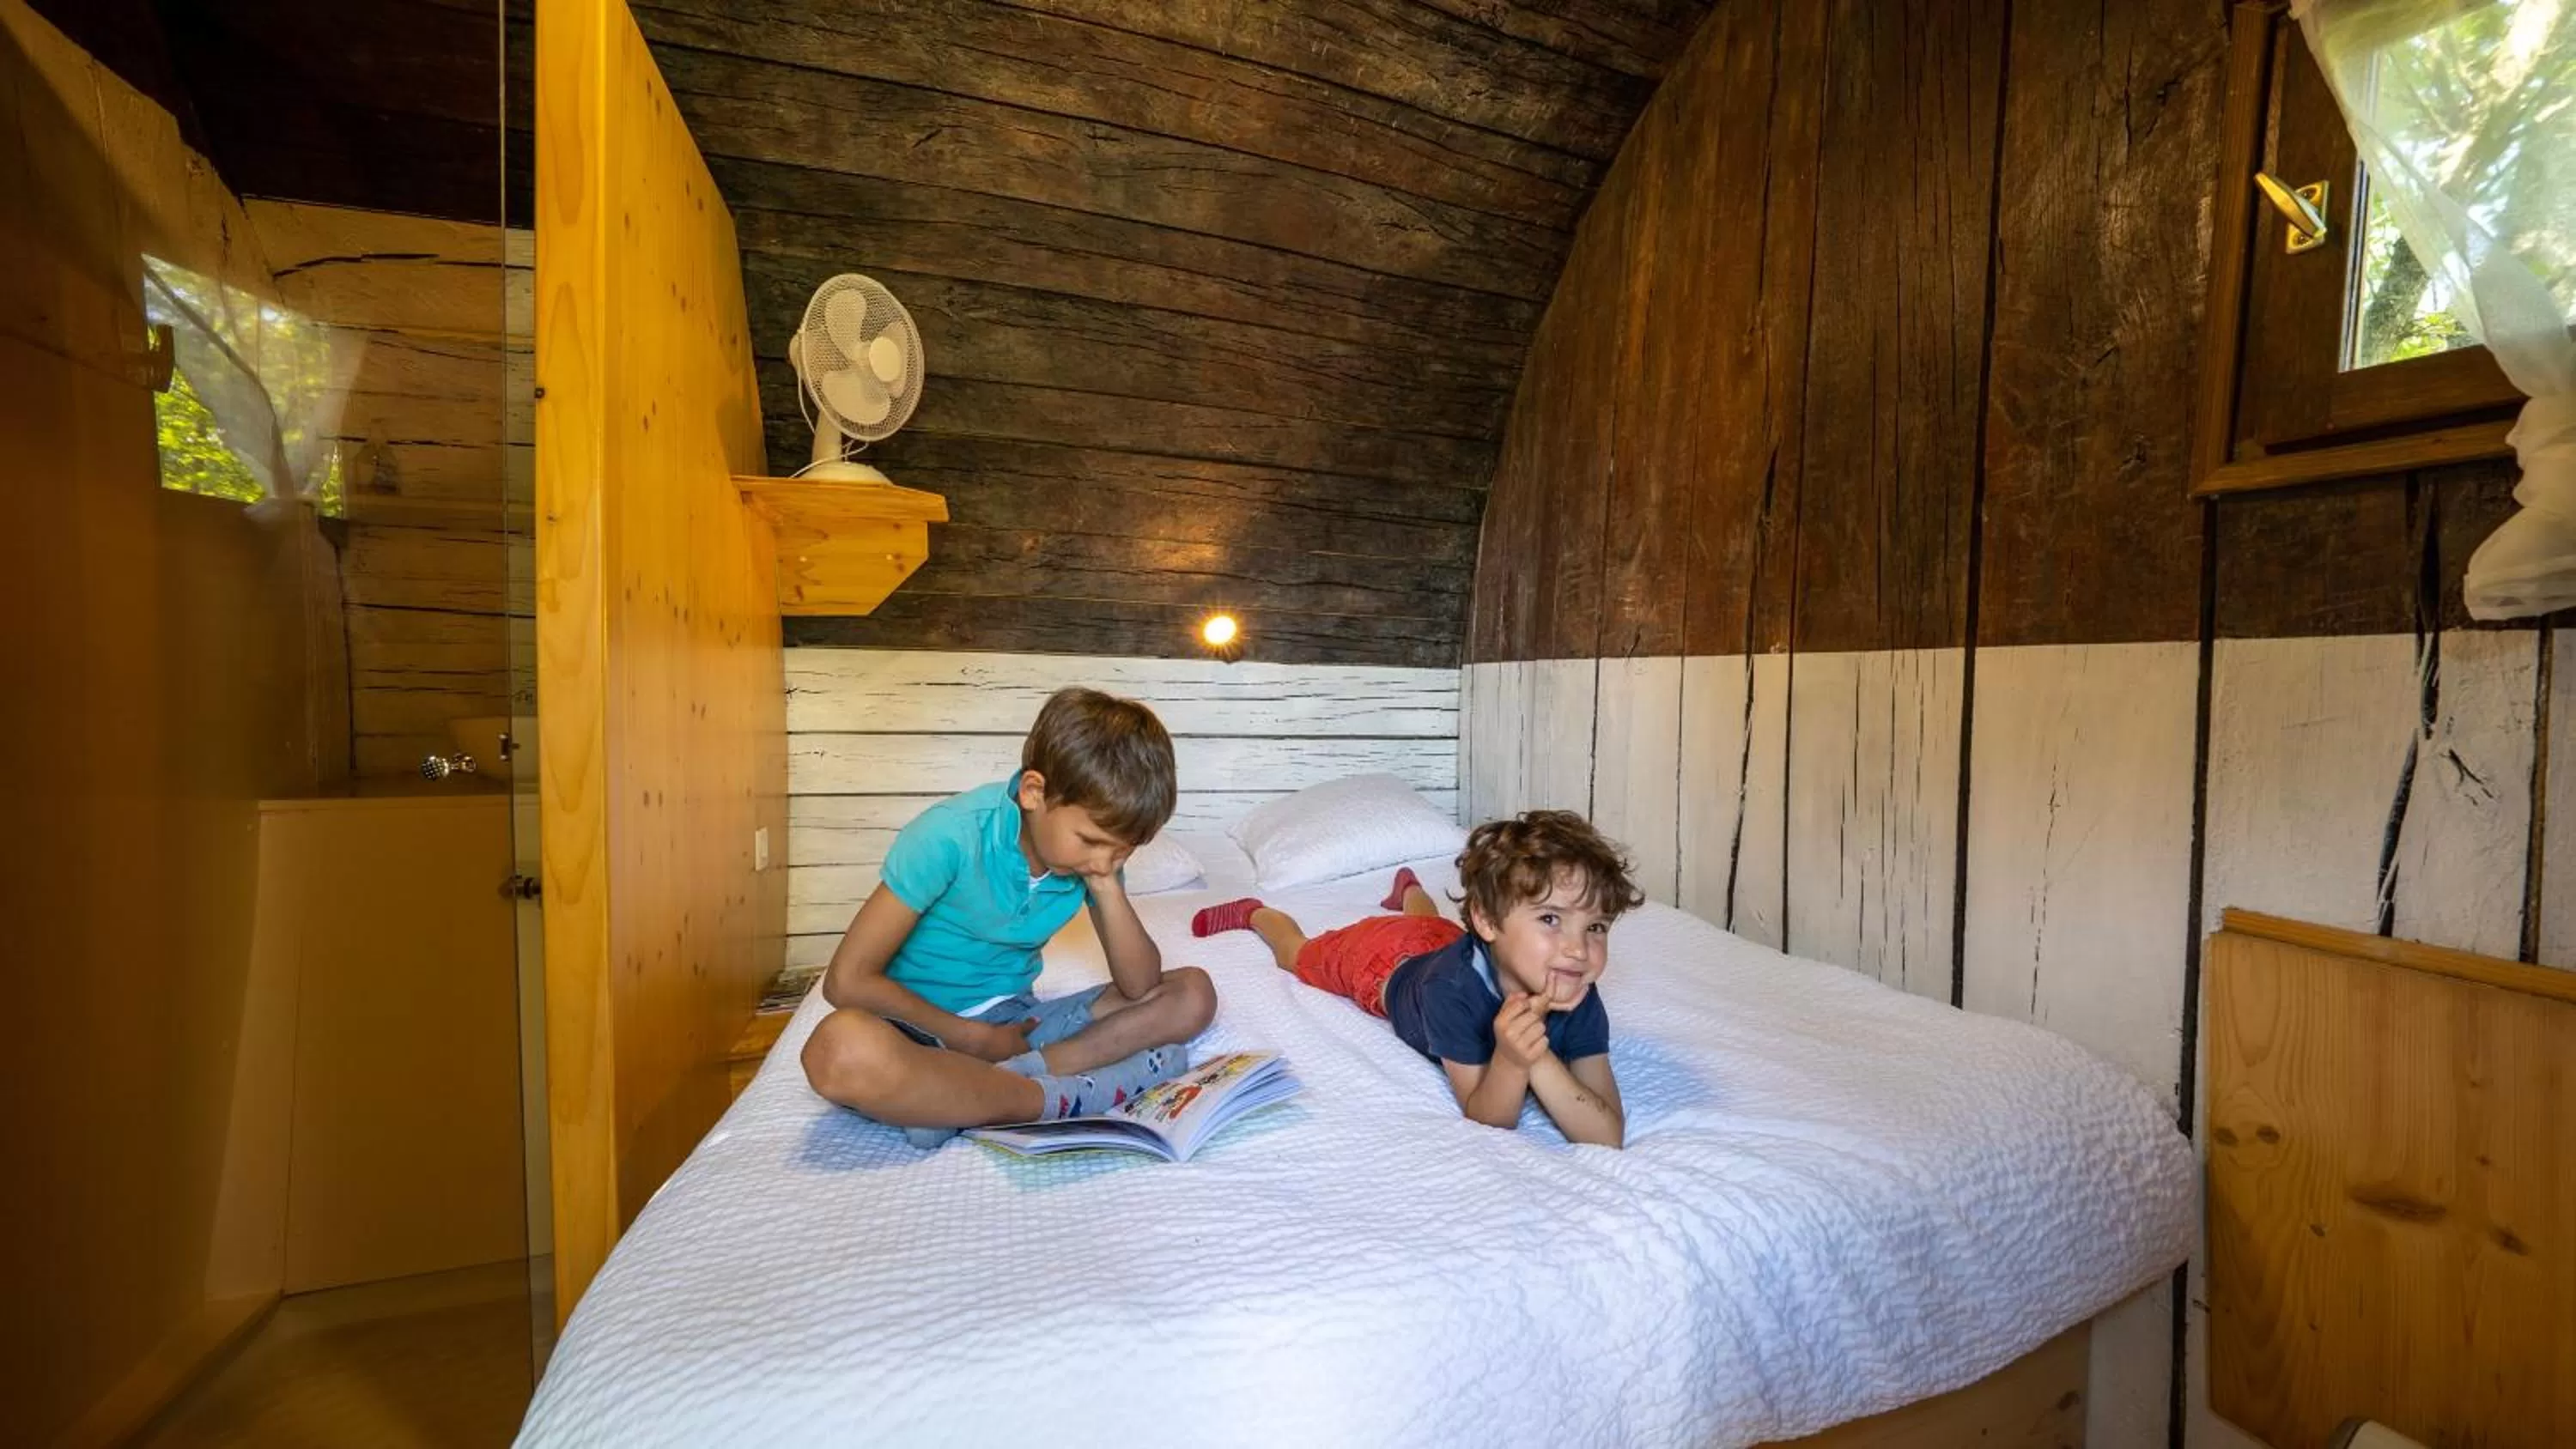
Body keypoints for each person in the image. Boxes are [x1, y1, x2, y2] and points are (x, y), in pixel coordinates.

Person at [801, 688, 1217, 1148]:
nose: (1105, 859)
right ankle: (1056, 1098)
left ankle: (985, 1091)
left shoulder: (1094, 864)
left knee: (1192, 993)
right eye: (1091, 840)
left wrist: (1105, 886)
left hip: (1017, 1027)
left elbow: (1140, 986)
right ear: (1034, 792)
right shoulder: (951, 835)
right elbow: (846, 982)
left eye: (1123, 850)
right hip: (915, 1027)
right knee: (839, 1050)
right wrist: (969, 1038)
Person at [1192, 810, 1638, 1147]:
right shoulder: (1451, 991)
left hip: (1442, 941)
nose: (1579, 950)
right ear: (1486, 921)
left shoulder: (1576, 990)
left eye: (1595, 927)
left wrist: (1537, 1058)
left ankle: (1408, 890)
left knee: (1431, 929)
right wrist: (1512, 1058)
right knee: (1299, 956)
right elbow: (1489, 1117)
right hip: (1383, 962)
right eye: (1550, 918)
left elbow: (1607, 1133)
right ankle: (1260, 913)